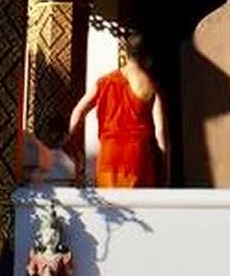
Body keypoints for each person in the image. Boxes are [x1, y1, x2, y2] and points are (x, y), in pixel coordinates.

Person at [65, 30, 167, 188]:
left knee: (111, 203)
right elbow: (160, 132)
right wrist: (164, 167)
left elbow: (78, 111)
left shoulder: (105, 82)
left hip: (109, 154)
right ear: (147, 57)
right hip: (137, 157)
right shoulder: (150, 86)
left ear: (125, 53)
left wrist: (73, 144)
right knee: (139, 203)